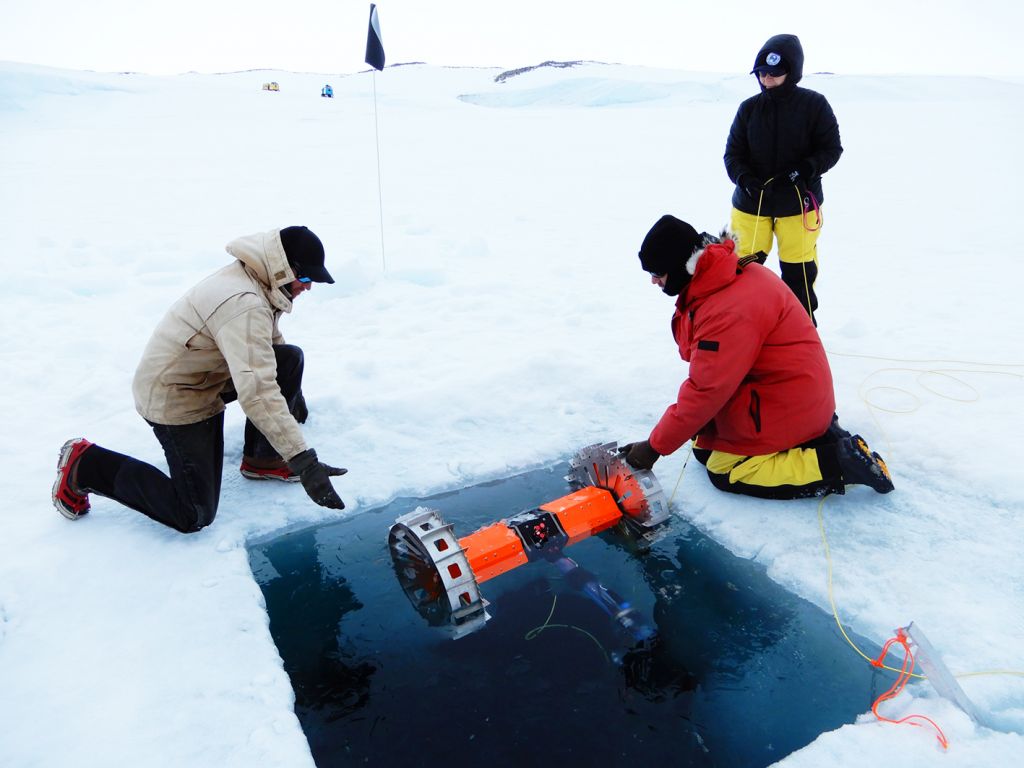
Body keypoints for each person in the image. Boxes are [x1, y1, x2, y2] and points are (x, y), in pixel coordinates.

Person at [51, 226, 348, 534]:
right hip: (175, 396)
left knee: (288, 357)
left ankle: (263, 459)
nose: (309, 287)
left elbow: (267, 354)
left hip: (205, 375)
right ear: (286, 268)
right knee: (193, 512)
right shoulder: (244, 303)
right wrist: (304, 461)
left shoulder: (259, 279)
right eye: (306, 279)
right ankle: (85, 464)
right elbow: (257, 391)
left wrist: (291, 408)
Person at [620, 215, 893, 498]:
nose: (653, 281)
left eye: (657, 272)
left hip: (790, 401)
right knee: (703, 448)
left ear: (680, 267)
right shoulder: (720, 276)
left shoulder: (726, 309)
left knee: (726, 470)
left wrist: (653, 448)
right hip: (791, 393)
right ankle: (821, 435)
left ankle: (837, 462)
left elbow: (706, 389)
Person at [724, 33, 843, 324]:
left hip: (798, 203)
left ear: (792, 72)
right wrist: (744, 178)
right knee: (741, 268)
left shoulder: (814, 105)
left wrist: (804, 170)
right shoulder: (749, 109)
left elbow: (831, 149)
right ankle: (741, 325)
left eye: (774, 73)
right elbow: (732, 154)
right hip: (752, 203)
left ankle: (800, 327)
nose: (766, 78)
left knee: (798, 270)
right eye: (762, 73)